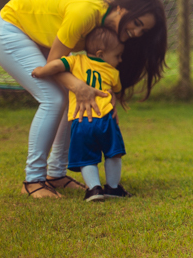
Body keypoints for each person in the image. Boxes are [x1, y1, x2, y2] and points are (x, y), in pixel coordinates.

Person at [0, 0, 167, 198]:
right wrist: (79, 86)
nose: (137, 33)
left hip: (38, 38)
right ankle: (33, 181)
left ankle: (55, 175)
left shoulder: (106, 28)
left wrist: (107, 98)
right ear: (121, 8)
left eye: (143, 30)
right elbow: (54, 63)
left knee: (70, 100)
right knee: (54, 99)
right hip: (11, 29)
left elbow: (88, 67)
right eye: (137, 23)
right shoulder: (86, 12)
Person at [31, 27, 131, 202]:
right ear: (100, 54)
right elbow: (114, 90)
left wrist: (40, 71)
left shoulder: (76, 61)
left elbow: (55, 65)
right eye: (118, 55)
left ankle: (94, 189)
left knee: (87, 156)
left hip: (81, 119)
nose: (121, 60)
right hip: (106, 119)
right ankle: (113, 188)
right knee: (113, 153)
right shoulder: (112, 72)